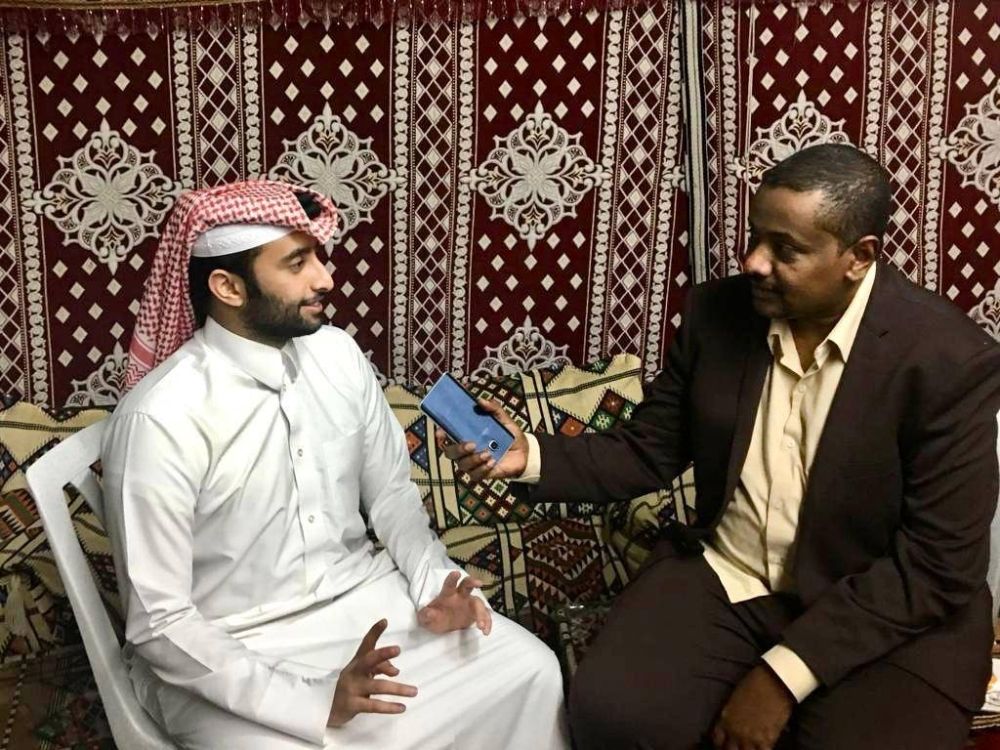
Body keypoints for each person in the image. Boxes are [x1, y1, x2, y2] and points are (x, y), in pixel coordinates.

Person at [442, 144, 1000, 750]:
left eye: (786, 249)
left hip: (876, 608)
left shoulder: (949, 361)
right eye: (756, 237)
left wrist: (781, 677)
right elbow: (648, 449)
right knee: (613, 712)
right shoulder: (718, 315)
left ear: (858, 257)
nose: (754, 262)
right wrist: (532, 456)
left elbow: (938, 564)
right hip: (730, 579)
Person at [101, 180, 568, 750]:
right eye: (297, 263)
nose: (325, 279)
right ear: (228, 287)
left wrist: (434, 583)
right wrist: (311, 701)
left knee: (529, 670)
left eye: (318, 257)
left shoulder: (338, 355)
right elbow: (161, 622)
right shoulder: (160, 416)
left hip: (365, 607)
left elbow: (392, 496)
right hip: (226, 652)